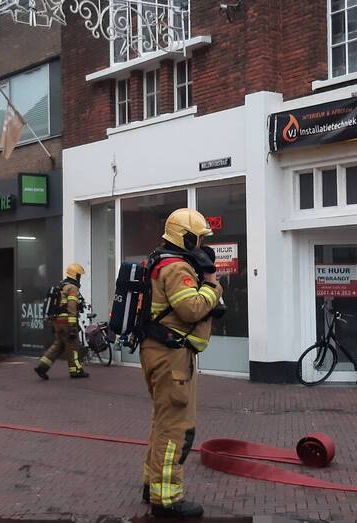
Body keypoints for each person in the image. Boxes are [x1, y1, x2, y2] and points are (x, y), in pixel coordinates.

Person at [140, 209, 223, 518]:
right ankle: (167, 500)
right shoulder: (176, 268)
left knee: (162, 423)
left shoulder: (157, 260)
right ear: (186, 238)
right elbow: (191, 309)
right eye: (199, 238)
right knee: (176, 428)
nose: (201, 244)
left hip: (158, 351)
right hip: (171, 356)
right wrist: (212, 282)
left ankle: (152, 485)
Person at [34, 263, 89, 380]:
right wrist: (73, 325)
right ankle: (76, 371)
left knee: (58, 345)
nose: (80, 278)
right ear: (75, 275)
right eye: (79, 275)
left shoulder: (62, 286)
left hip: (57, 321)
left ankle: (42, 366)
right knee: (73, 345)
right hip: (66, 321)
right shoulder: (72, 288)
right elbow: (71, 307)